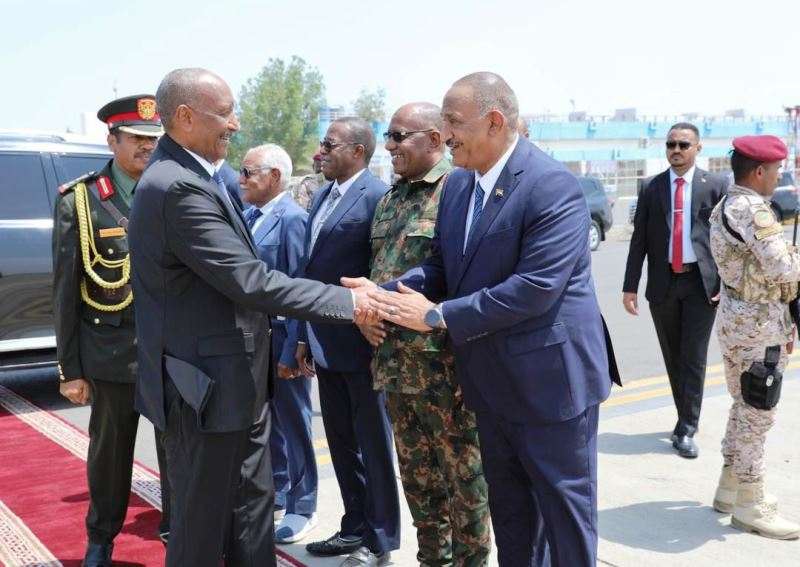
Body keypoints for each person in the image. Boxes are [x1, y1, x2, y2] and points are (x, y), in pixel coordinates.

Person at [353, 72, 620, 567]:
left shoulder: (550, 185)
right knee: (513, 518)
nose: (446, 134)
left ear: (494, 121)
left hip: (551, 387)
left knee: (564, 518)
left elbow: (536, 287)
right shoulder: (459, 186)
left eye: (454, 122)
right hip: (490, 386)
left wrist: (437, 316)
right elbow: (442, 267)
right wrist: (383, 294)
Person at [127, 68, 380, 567]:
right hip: (205, 388)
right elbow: (252, 281)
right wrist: (353, 304)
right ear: (185, 116)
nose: (235, 124)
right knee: (202, 529)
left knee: (250, 514)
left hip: (229, 384)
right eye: (224, 113)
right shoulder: (177, 186)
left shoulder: (191, 175)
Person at [361, 102, 491, 565]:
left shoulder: (457, 191)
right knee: (420, 488)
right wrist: (368, 311)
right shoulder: (390, 199)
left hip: (444, 371)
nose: (389, 146)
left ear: (435, 139)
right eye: (388, 136)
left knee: (465, 488)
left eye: (399, 136)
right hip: (395, 367)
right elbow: (380, 271)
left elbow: (466, 279)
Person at [52, 94, 171, 567]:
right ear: (112, 140)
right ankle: (101, 539)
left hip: (170, 352)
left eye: (153, 139)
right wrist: (71, 369)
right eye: (137, 139)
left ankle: (177, 530)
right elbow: (65, 291)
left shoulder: (171, 189)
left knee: (177, 452)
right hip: (110, 352)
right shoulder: (80, 200)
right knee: (110, 455)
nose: (147, 147)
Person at [296, 117, 400, 567]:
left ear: (358, 151)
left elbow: (384, 269)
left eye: (329, 144)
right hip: (325, 341)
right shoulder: (324, 195)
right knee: (341, 444)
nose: (320, 151)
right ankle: (354, 526)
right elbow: (311, 271)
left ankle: (380, 541)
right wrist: (304, 334)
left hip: (364, 344)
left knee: (373, 445)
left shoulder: (377, 197)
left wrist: (371, 319)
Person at [709, 135, 800, 539]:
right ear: (759, 171)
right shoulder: (754, 209)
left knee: (743, 404)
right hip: (759, 327)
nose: (778, 177)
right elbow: (783, 268)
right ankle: (751, 503)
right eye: (776, 171)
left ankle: (729, 487)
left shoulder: (725, 204)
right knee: (757, 414)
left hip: (736, 319)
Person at [623, 123, 728, 458]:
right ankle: (685, 417)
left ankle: (686, 428)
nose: (676, 150)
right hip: (663, 283)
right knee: (673, 356)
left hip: (701, 285)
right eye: (671, 144)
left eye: (684, 144)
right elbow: (639, 239)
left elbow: (727, 240)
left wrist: (725, 283)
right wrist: (629, 286)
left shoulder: (716, 185)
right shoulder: (651, 187)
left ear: (698, 148)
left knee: (693, 357)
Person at [238, 143, 319, 543]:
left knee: (295, 423)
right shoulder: (248, 216)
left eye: (248, 172)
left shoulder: (293, 219)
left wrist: (294, 349)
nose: (241, 180)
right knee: (267, 426)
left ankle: (304, 506)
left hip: (283, 338)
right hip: (253, 339)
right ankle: (280, 493)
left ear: (273, 177)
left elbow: (300, 289)